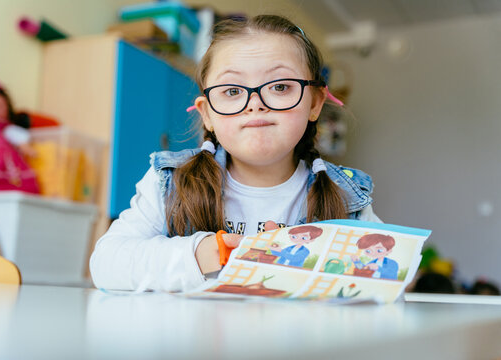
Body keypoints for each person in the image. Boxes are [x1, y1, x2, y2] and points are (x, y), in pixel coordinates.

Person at [90, 15, 381, 292]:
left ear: (315, 104)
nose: (255, 103)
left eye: (280, 86)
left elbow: (388, 276)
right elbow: (106, 263)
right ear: (207, 114)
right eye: (232, 91)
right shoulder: (169, 182)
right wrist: (203, 253)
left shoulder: (347, 195)